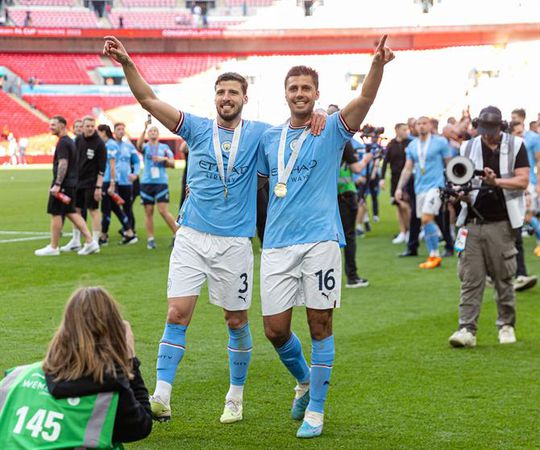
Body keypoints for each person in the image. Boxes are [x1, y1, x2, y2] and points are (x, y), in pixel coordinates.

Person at [103, 34, 326, 425]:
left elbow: (300, 126)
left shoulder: (261, 134)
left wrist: (321, 114)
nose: (226, 97)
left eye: (233, 92)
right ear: (215, 97)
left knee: (236, 321)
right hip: (191, 236)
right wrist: (127, 63)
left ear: (244, 98)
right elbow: (149, 101)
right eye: (221, 91)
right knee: (177, 312)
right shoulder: (197, 128)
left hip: (235, 243)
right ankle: (162, 396)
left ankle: (235, 396)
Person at [257, 36, 394, 438]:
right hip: (277, 244)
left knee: (320, 324)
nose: (300, 94)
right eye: (293, 88)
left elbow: (364, 101)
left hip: (321, 241)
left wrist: (377, 65)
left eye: (306, 89)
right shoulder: (269, 138)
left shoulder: (332, 129)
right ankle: (303, 380)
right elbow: (262, 185)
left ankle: (316, 409)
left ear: (317, 94)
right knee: (275, 330)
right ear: (285, 94)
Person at [0, 287, 152, 448]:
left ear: (64, 330)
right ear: (115, 334)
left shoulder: (16, 377)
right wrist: (129, 360)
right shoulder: (109, 395)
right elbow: (142, 426)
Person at [448, 106, 529, 348]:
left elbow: (523, 180)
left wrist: (497, 182)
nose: (486, 135)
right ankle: (466, 329)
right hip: (472, 220)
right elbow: (460, 179)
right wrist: (459, 194)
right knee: (470, 278)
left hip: (502, 222)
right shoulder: (468, 146)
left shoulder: (516, 145)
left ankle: (506, 325)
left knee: (503, 277)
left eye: (490, 130)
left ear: (500, 127)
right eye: (483, 130)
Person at [34, 116, 99, 257]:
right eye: (50, 124)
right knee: (72, 213)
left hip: (64, 184)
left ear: (62, 126)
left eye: (53, 124)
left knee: (56, 213)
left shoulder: (63, 143)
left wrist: (57, 184)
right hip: (71, 183)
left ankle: (53, 246)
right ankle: (90, 241)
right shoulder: (69, 141)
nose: (50, 127)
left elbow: (63, 163)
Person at [395, 116, 452, 269]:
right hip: (419, 188)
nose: (421, 127)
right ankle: (433, 255)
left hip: (437, 187)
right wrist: (399, 188)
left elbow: (449, 163)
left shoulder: (440, 142)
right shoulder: (412, 146)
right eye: (418, 124)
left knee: (427, 218)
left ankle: (436, 254)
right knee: (425, 221)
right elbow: (408, 168)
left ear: (430, 125)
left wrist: (452, 185)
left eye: (424, 123)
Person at [328, 104, 369, 288]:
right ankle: (352, 277)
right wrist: (369, 158)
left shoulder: (317, 137)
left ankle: (328, 279)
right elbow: (356, 168)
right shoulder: (342, 140)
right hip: (344, 195)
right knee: (349, 237)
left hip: (326, 197)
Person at [61, 116, 106, 251]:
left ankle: (95, 242)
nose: (90, 128)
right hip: (77, 182)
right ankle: (75, 240)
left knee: (93, 211)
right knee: (76, 210)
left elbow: (102, 168)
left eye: (92, 126)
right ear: (83, 126)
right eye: (88, 126)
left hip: (92, 183)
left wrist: (98, 187)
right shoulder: (78, 140)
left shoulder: (99, 143)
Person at [135, 120, 178, 249]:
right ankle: (150, 239)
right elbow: (138, 145)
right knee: (148, 212)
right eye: (150, 131)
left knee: (163, 211)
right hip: (146, 182)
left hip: (161, 183)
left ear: (158, 134)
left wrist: (164, 159)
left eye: (155, 131)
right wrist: (144, 128)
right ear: (148, 134)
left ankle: (177, 234)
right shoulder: (146, 147)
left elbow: (173, 164)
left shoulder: (164, 148)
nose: (153, 133)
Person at [96, 124, 137, 246]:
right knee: (113, 208)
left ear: (103, 132)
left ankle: (105, 236)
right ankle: (128, 232)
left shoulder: (110, 145)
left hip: (109, 180)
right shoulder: (108, 144)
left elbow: (112, 165)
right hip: (108, 180)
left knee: (107, 209)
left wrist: (112, 183)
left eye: (98, 132)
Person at [511, 109, 540, 257]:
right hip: (516, 181)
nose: (512, 119)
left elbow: (538, 161)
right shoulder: (511, 137)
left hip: (529, 181)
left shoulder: (533, 138)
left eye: (514, 117)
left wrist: (538, 183)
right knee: (525, 215)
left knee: (528, 215)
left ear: (522, 118)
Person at [381, 122, 412, 244]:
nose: (406, 132)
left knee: (406, 205)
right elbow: (385, 162)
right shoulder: (391, 144)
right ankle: (403, 232)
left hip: (407, 179)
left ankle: (410, 231)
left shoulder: (410, 143)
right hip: (394, 179)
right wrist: (382, 178)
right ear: (397, 130)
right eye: (404, 130)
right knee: (398, 205)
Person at [113, 122, 140, 235]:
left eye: (122, 129)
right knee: (112, 206)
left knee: (127, 207)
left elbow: (137, 161)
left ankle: (130, 229)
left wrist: (136, 173)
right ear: (114, 131)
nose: (121, 131)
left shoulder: (129, 146)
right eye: (118, 129)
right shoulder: (110, 145)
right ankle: (125, 227)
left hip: (126, 182)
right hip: (112, 181)